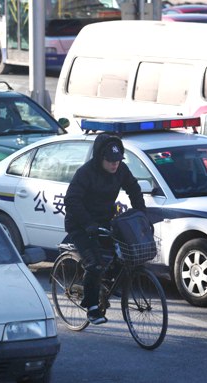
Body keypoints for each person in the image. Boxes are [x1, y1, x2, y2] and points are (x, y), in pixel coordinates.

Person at [64, 133, 146, 325]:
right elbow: (72, 200)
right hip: (80, 224)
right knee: (96, 263)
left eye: (117, 160)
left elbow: (134, 189)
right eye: (110, 161)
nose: (114, 164)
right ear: (100, 158)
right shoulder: (85, 173)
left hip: (105, 220)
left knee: (125, 251)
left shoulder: (121, 170)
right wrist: (87, 224)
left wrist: (142, 215)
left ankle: (106, 285)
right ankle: (92, 307)